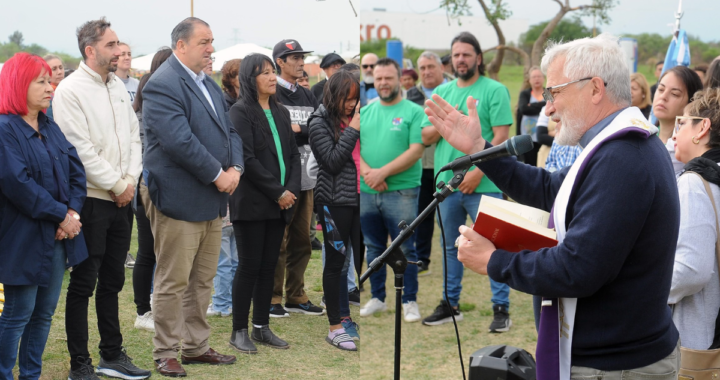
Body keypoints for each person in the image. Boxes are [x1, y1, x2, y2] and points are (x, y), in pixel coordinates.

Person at [428, 33, 682, 378]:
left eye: (555, 92)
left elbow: (577, 269)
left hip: (615, 366)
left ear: (595, 89)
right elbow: (551, 188)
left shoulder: (622, 156)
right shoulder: (613, 146)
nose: (548, 107)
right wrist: (479, 147)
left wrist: (494, 261)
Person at [141, 17, 241, 376]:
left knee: (202, 279)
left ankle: (196, 346)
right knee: (173, 279)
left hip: (213, 199)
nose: (211, 48)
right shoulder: (163, 84)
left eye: (212, 41)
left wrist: (237, 171)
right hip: (179, 197)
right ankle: (165, 350)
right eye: (204, 42)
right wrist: (219, 175)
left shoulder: (208, 84)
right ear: (181, 46)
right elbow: (179, 142)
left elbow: (231, 131)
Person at [52, 18, 149, 380]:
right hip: (92, 200)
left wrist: (128, 182)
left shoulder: (117, 88)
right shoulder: (71, 90)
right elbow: (80, 150)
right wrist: (116, 184)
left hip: (121, 199)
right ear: (91, 50)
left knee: (112, 282)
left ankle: (111, 353)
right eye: (111, 45)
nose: (118, 50)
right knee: (83, 283)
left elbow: (134, 139)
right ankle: (80, 363)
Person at [0, 52, 88, 380]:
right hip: (22, 239)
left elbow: (76, 173)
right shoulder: (5, 129)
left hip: (56, 238)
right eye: (40, 81)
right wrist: (60, 216)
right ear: (19, 84)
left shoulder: (50, 127)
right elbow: (17, 184)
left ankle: (31, 375)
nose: (50, 86)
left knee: (44, 313)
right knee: (18, 312)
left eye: (50, 80)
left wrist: (72, 213)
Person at [420, 32, 513, 331]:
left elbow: (500, 137)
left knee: (495, 246)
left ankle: (501, 308)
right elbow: (426, 134)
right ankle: (450, 303)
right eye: (456, 55)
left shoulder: (495, 89)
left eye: (466, 54)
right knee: (450, 247)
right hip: (448, 186)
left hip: (484, 183)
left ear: (478, 58)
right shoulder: (442, 92)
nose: (460, 59)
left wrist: (477, 172)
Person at [227, 53, 299, 353]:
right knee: (249, 266)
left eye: (272, 71)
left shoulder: (281, 111)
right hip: (254, 202)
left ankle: (261, 327)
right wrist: (278, 192)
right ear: (249, 78)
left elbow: (294, 155)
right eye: (265, 73)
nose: (272, 77)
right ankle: (239, 330)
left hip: (281, 201)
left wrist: (290, 191)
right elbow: (248, 160)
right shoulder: (240, 111)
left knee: (269, 266)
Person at [358, 57, 424, 323]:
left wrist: (383, 173)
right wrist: (368, 173)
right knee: (373, 247)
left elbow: (416, 150)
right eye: (379, 78)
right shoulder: (365, 111)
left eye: (388, 78)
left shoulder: (414, 111)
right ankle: (377, 298)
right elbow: (355, 148)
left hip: (402, 191)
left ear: (400, 79)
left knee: (406, 248)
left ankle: (409, 301)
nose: (383, 83)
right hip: (367, 191)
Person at [270, 39, 325, 317]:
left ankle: (296, 294)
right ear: (280, 61)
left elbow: (318, 128)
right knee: (277, 239)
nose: (301, 62)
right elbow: (276, 130)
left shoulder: (306, 94)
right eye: (295, 58)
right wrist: (299, 129)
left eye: (303, 57)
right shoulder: (271, 91)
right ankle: (272, 297)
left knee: (302, 239)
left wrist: (298, 128)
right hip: (280, 178)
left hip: (307, 177)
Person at [308, 70, 361, 350]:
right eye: (347, 98)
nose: (352, 104)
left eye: (355, 99)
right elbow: (331, 162)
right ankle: (335, 327)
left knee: (358, 262)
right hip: (333, 202)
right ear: (334, 95)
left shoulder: (358, 118)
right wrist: (354, 128)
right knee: (336, 263)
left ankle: (349, 317)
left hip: (362, 199)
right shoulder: (319, 122)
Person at [670, 87, 720, 351]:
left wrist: (640, 290)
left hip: (694, 340)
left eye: (683, 123)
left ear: (702, 128)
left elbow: (691, 270)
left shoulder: (695, 182)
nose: (675, 133)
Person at [130, 47, 173, 333]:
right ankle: (142, 310)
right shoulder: (153, 100)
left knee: (159, 252)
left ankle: (156, 305)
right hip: (148, 184)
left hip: (158, 183)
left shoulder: (152, 94)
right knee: (148, 252)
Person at [406, 51, 450, 276]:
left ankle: (458, 254)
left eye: (431, 66)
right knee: (423, 214)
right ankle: (423, 257)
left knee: (451, 215)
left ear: (441, 68)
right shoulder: (411, 95)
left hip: (450, 163)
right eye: (422, 68)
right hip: (422, 164)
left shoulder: (453, 89)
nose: (426, 72)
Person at [115, 42, 141, 270]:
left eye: (129, 54)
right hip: (117, 150)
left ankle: (123, 252)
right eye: (122, 53)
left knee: (130, 208)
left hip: (135, 147)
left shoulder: (137, 84)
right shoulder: (112, 85)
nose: (126, 57)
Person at [653, 66, 703, 144]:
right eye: (661, 89)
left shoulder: (689, 147)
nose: (663, 97)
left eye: (674, 94)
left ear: (691, 102)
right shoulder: (643, 137)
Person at [515, 66, 547, 166]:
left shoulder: (547, 93)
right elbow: (524, 109)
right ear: (529, 80)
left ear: (543, 78)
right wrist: (543, 105)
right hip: (528, 138)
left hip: (544, 136)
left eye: (539, 76)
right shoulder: (525, 94)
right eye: (534, 77)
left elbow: (552, 107)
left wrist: (532, 106)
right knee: (530, 166)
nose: (536, 79)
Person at [43, 54, 64, 119]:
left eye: (61, 68)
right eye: (54, 69)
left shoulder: (70, 90)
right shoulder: (46, 96)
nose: (59, 72)